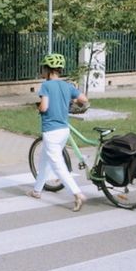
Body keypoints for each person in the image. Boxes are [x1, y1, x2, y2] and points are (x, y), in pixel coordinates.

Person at [28, 53, 89, 211]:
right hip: (64, 129)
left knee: (57, 165)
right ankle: (37, 190)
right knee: (44, 160)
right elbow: (84, 99)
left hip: (51, 130)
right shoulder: (67, 85)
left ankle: (77, 194)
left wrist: (39, 107)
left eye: (43, 68)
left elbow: (44, 107)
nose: (42, 71)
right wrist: (72, 100)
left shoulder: (46, 86)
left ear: (48, 70)